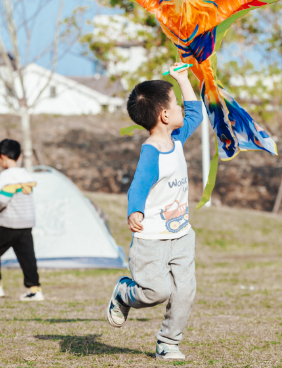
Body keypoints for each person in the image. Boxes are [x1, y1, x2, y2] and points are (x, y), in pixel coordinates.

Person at [106, 64, 202, 362]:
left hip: (181, 235)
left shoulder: (176, 139)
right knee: (155, 292)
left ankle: (168, 343)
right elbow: (138, 186)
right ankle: (124, 292)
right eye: (176, 104)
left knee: (185, 292)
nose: (181, 109)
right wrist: (134, 211)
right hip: (151, 239)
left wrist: (183, 80)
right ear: (164, 115)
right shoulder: (152, 151)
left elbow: (196, 113)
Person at [0, 140, 43, 301]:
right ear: (18, 157)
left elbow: (3, 200)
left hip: (11, 222)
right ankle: (35, 290)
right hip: (26, 222)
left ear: (3, 157)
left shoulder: (6, 176)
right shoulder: (25, 174)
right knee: (27, 257)